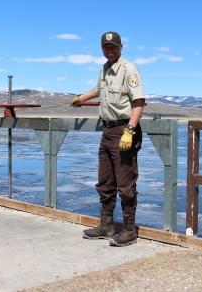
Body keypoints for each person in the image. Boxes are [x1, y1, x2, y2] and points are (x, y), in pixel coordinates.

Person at [70, 31, 145, 246]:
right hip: (108, 130)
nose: (109, 50)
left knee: (126, 184)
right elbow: (100, 89)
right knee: (105, 181)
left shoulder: (129, 70)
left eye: (113, 47)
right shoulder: (104, 69)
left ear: (121, 47)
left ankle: (129, 229)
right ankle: (107, 224)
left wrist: (130, 130)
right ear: (102, 49)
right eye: (106, 47)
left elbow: (139, 102)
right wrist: (81, 98)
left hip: (124, 130)